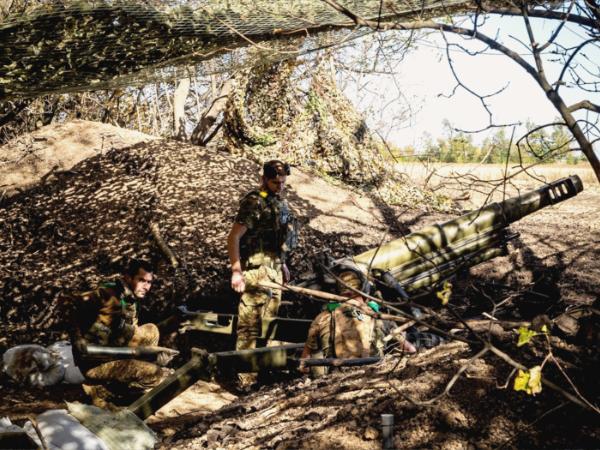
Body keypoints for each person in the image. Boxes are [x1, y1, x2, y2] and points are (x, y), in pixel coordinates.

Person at [70, 259, 174, 408]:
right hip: (95, 362)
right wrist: (77, 338)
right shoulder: (107, 294)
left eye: (149, 282)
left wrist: (152, 355)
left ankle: (127, 382)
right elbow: (71, 303)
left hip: (115, 352)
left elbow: (129, 331)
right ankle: (100, 391)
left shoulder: (131, 298)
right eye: (141, 280)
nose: (146, 286)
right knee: (155, 374)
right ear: (128, 278)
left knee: (152, 330)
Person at [227, 160, 298, 358]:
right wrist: (236, 271)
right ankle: (244, 377)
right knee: (249, 328)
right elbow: (234, 237)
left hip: (274, 272)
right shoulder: (255, 201)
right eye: (276, 183)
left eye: (283, 182)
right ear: (264, 179)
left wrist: (282, 264)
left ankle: (261, 374)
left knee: (269, 326)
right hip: (256, 272)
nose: (281, 187)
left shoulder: (280, 203)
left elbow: (278, 237)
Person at [300, 269, 386, 377]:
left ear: (339, 291)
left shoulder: (323, 317)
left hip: (339, 374)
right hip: (374, 369)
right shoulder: (375, 314)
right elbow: (408, 348)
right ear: (361, 289)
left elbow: (304, 362)